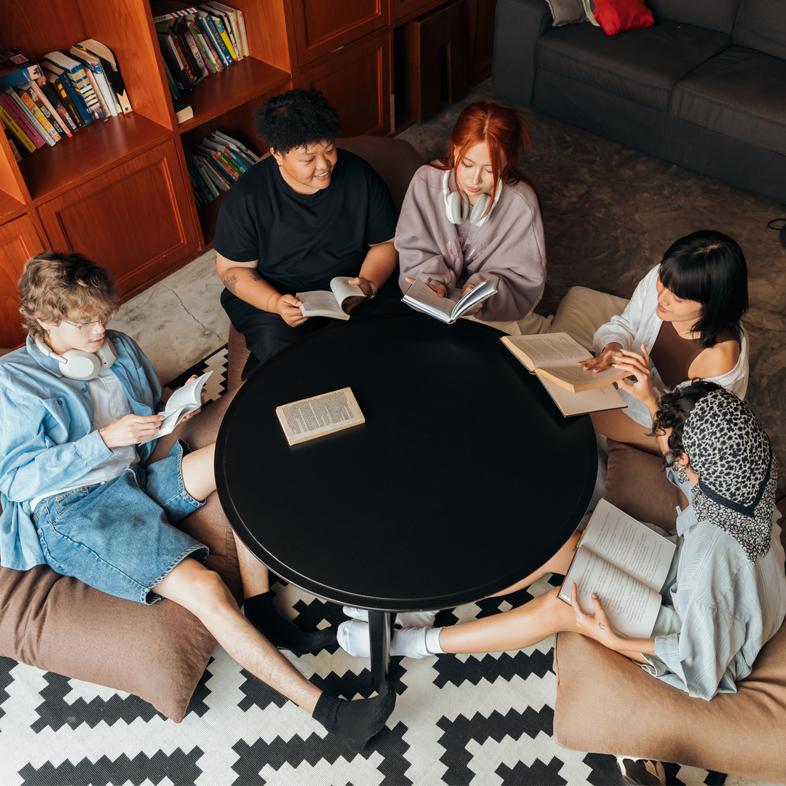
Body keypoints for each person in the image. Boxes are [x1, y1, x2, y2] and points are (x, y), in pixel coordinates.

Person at [0, 253, 394, 750]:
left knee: (238, 462)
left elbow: (151, 416)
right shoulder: (12, 382)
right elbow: (15, 480)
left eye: (104, 316)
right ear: (45, 322)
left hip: (134, 476)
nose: (101, 331)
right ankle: (329, 712)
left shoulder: (117, 347)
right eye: (84, 324)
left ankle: (259, 608)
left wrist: (176, 407)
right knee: (205, 589)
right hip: (76, 513)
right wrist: (103, 440)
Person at [337, 380, 786, 701]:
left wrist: (613, 639)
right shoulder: (742, 462)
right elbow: (687, 471)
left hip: (695, 634)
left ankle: (415, 643)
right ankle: (422, 604)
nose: (667, 458)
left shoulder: (716, 551)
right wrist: (653, 399)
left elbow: (702, 662)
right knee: (563, 543)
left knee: (561, 606)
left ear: (694, 458)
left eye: (674, 454)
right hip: (686, 577)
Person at [214, 89, 399, 379]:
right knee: (290, 363)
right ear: (277, 154)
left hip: (351, 285)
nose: (324, 165)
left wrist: (367, 284)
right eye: (308, 158)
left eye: (328, 149)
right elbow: (231, 269)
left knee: (392, 337)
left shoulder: (359, 176)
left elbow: (386, 244)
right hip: (280, 294)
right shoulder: (247, 198)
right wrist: (274, 303)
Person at [581, 230, 749, 453]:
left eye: (677, 298)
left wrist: (648, 396)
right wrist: (612, 347)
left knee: (581, 420)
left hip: (666, 422)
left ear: (713, 305)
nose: (661, 298)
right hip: (628, 387)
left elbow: (687, 432)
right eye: (662, 282)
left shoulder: (718, 359)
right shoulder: (669, 276)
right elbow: (626, 325)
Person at [395, 100, 546, 328]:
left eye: (489, 170)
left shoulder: (521, 203)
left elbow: (524, 279)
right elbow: (413, 248)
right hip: (436, 303)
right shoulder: (426, 182)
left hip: (493, 311)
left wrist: (482, 297)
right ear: (455, 150)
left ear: (506, 165)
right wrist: (431, 283)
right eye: (467, 164)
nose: (475, 180)